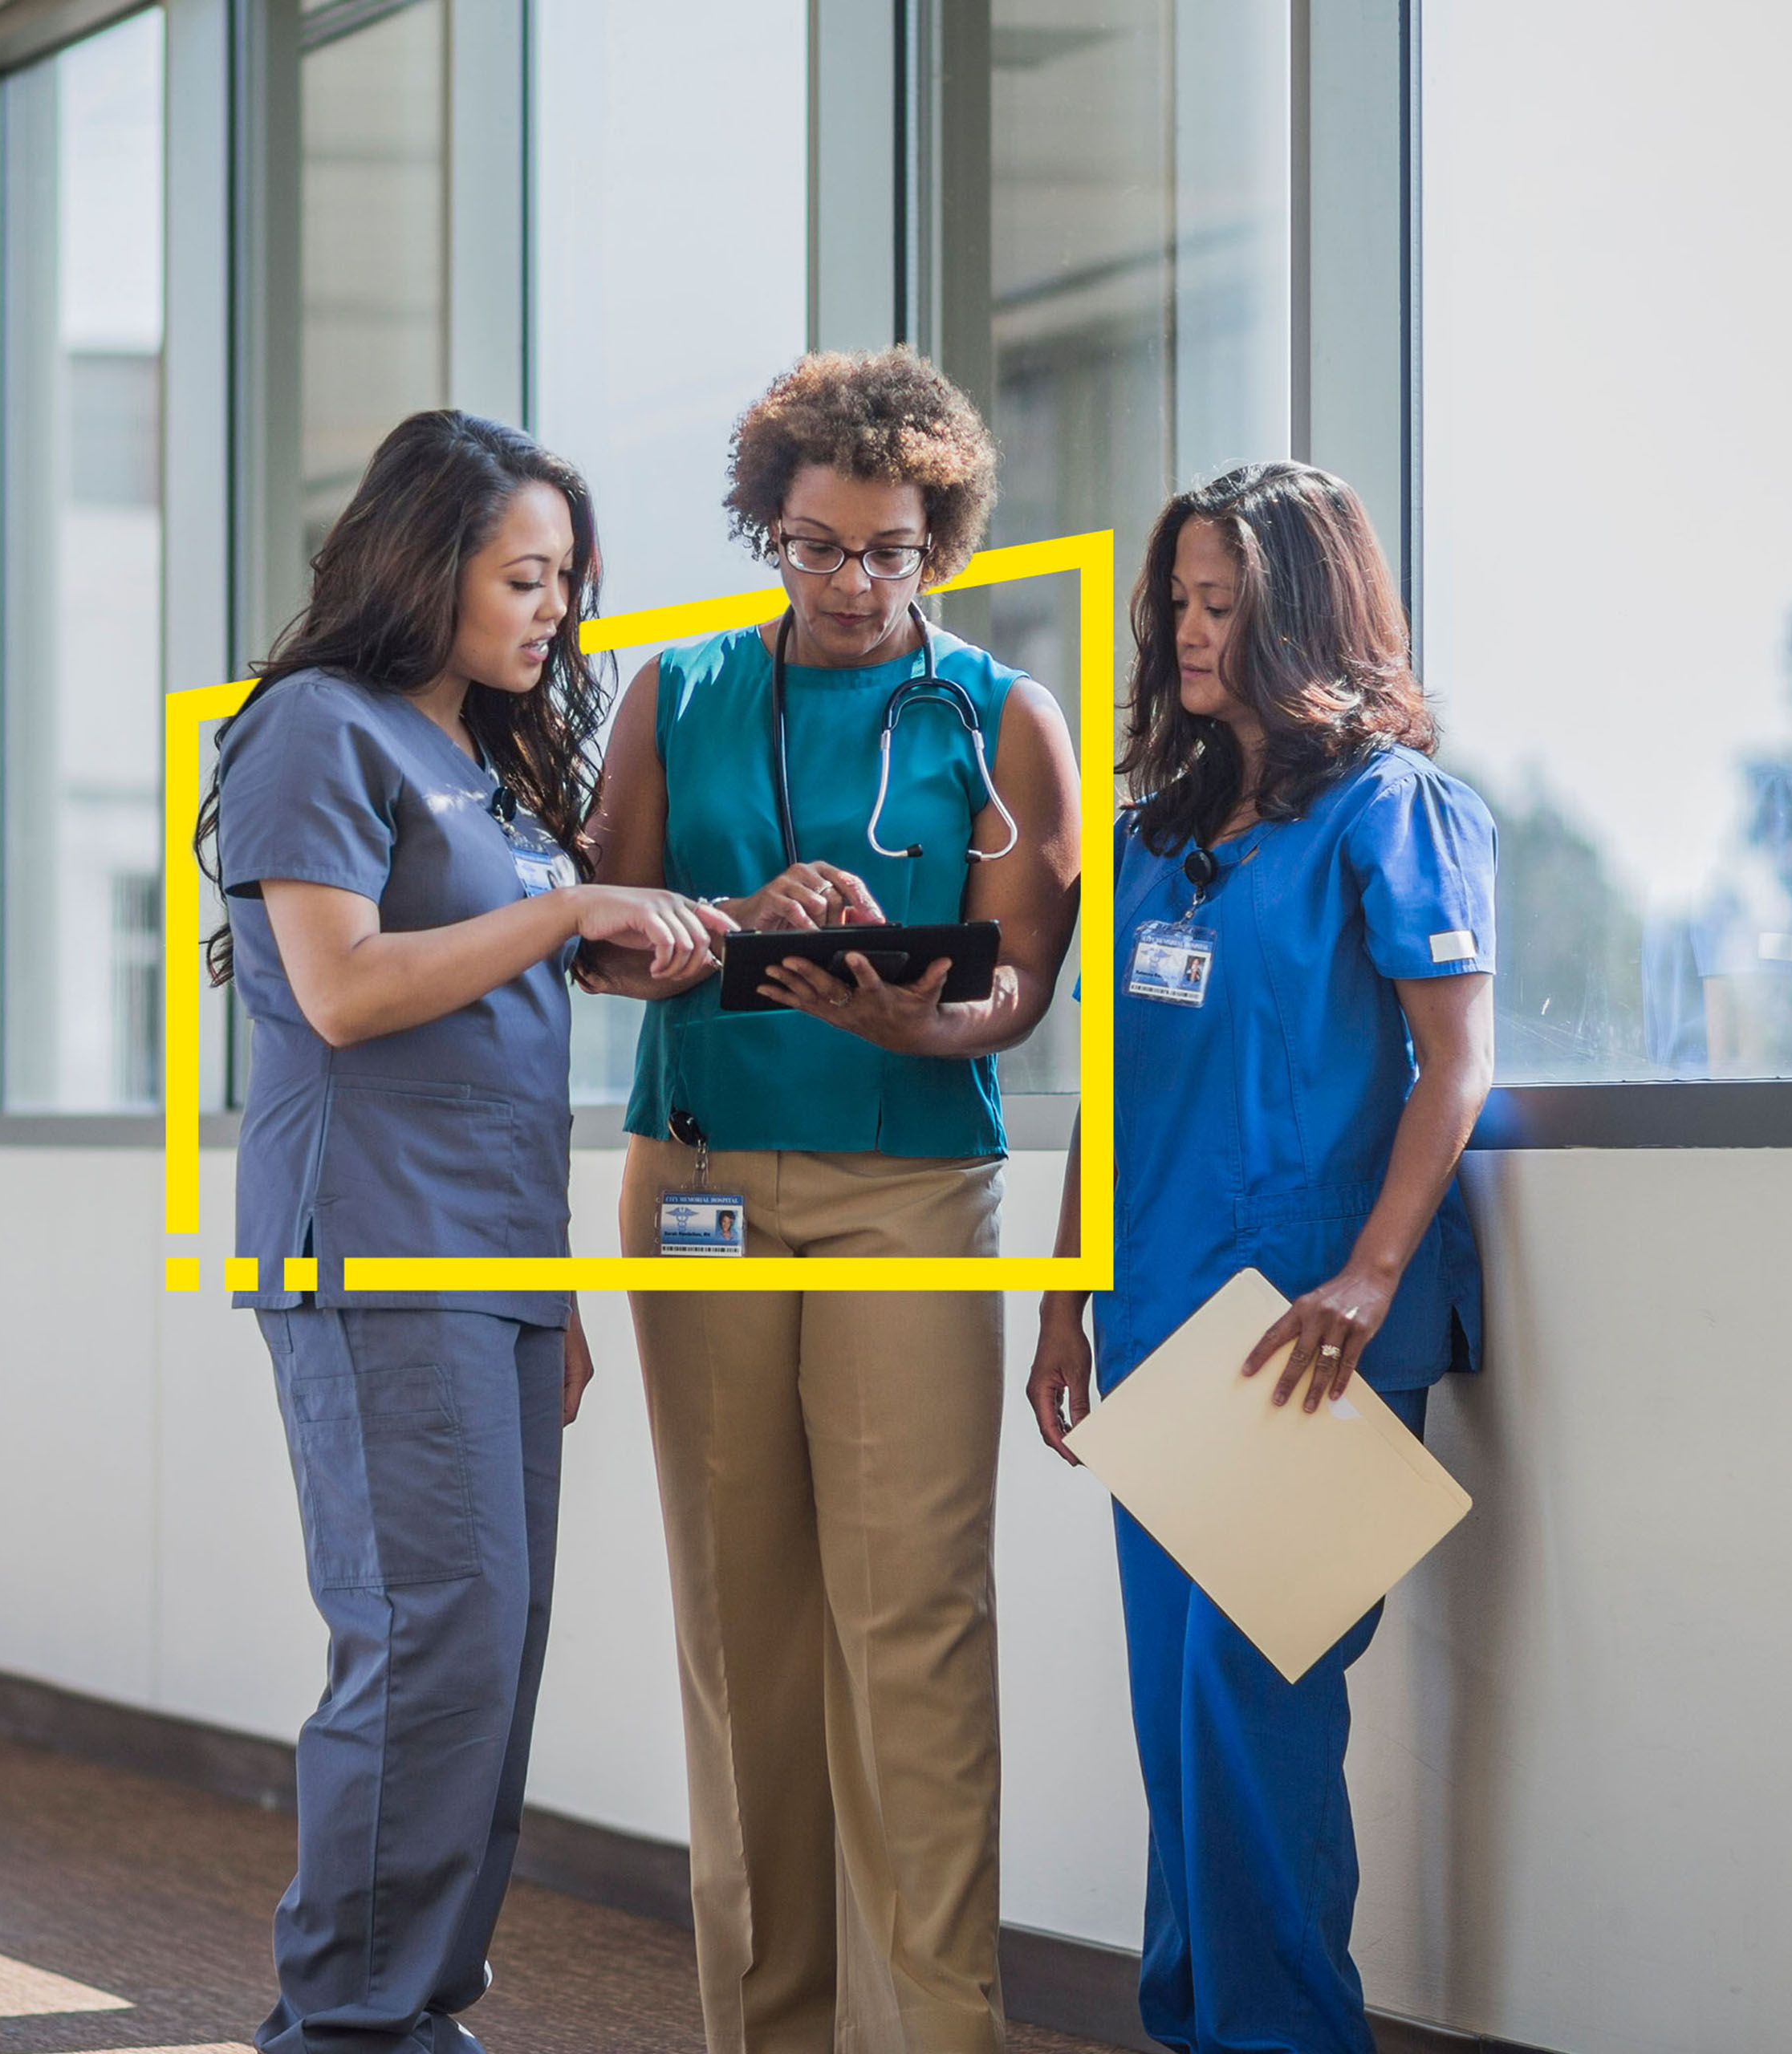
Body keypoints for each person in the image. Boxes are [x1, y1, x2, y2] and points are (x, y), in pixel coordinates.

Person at [202, 409, 730, 2054]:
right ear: (423, 562)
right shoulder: (314, 726)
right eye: (524, 572)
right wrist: (571, 908)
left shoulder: (490, 772)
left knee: (490, 1648)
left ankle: (414, 2004)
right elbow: (347, 990)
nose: (554, 608)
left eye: (567, 577)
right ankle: (347, 2021)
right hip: (373, 1251)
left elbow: (504, 1050)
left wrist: (553, 1281)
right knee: (426, 1637)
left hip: (491, 1261)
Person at [583, 349, 1082, 2054]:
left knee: (917, 1624)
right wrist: (733, 911)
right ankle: (770, 2030)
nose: (855, 582)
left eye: (892, 550)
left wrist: (928, 1016)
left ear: (941, 539)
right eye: (817, 545)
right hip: (702, 1172)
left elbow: (1024, 976)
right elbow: (596, 928)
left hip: (915, 1183)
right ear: (765, 530)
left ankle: (935, 2033)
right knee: (744, 1631)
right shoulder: (678, 690)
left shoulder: (1005, 717)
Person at [1024, 461, 1496, 2054]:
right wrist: (1061, 1293)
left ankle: (1285, 2033)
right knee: (1179, 1714)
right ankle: (1196, 2019)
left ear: (1305, 614)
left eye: (1225, 603)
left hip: (1310, 1332)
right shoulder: (1155, 829)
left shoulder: (1396, 807)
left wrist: (1369, 1273)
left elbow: (1455, 1063)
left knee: (1250, 1700)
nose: (1191, 629)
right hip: (1154, 1312)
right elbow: (1113, 1081)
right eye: (1179, 601)